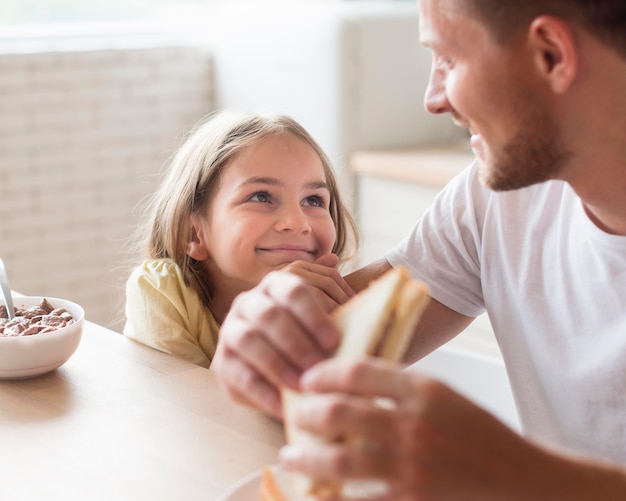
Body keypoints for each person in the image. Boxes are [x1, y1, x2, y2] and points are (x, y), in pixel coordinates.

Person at [212, 0, 626, 497]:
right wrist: (263, 330)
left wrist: (521, 475)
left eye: (448, 60)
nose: (433, 99)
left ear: (552, 56)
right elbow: (335, 334)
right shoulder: (493, 199)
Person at [123, 110, 357, 368]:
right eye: (261, 197)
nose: (298, 223)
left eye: (313, 200)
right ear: (194, 234)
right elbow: (186, 406)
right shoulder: (160, 290)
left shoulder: (330, 307)